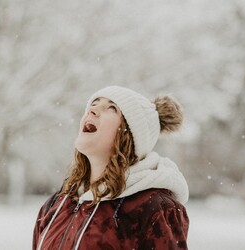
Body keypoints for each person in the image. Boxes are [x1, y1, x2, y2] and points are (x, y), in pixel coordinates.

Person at [32, 86, 189, 250]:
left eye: (112, 108)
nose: (92, 109)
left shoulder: (154, 209)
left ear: (129, 135)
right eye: (94, 103)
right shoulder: (56, 204)